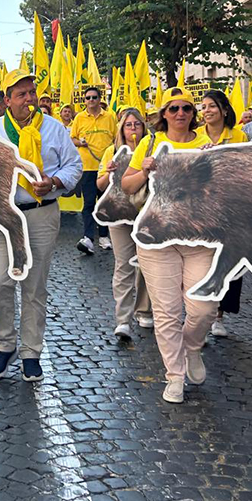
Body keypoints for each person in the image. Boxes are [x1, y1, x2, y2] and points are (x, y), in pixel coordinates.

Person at [0, 70, 82, 382]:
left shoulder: (54, 129)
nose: (29, 99)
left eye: (32, 92)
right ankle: (4, 345)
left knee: (34, 285)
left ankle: (30, 351)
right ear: (8, 99)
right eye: (21, 94)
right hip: (2, 217)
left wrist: (55, 181)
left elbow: (74, 165)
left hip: (41, 214)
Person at [121, 87, 215, 404]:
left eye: (186, 108)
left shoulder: (208, 145)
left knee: (203, 309)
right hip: (157, 238)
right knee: (167, 312)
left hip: (199, 237)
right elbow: (128, 185)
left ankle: (192, 349)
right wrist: (145, 168)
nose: (179, 114)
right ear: (164, 114)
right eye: (173, 108)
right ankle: (174, 375)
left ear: (193, 113)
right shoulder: (150, 144)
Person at [197, 90, 248, 337]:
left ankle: (219, 315)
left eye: (212, 106)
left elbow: (247, 171)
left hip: (232, 209)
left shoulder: (239, 136)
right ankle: (201, 314)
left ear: (224, 110)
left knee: (229, 262)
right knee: (202, 262)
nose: (206, 111)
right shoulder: (195, 137)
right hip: (202, 209)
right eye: (203, 107)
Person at [98, 108, 152, 339]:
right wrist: (108, 172)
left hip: (145, 215)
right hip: (119, 215)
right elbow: (100, 185)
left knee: (147, 266)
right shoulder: (112, 151)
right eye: (128, 125)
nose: (132, 129)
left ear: (143, 127)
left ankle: (143, 310)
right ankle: (123, 319)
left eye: (136, 125)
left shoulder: (152, 149)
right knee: (123, 265)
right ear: (121, 128)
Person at [71, 86, 119, 255]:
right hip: (88, 166)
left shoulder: (110, 117)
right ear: (84, 101)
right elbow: (72, 139)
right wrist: (80, 142)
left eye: (94, 97)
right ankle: (88, 237)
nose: (90, 100)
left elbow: (116, 138)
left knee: (104, 203)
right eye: (88, 98)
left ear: (100, 99)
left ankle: (104, 236)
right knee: (89, 203)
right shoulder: (79, 118)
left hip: (106, 168)